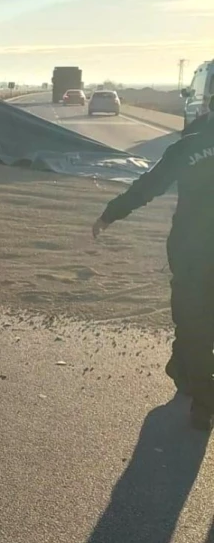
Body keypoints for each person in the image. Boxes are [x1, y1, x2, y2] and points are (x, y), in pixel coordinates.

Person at [93, 110, 214, 428]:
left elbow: (150, 185)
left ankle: (203, 402)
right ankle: (186, 374)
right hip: (193, 251)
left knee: (193, 323)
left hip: (192, 251)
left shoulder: (188, 147)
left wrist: (111, 213)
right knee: (197, 323)